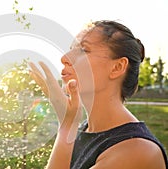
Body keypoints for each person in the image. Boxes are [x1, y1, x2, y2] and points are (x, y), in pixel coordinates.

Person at [29, 20, 167, 169]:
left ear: (117, 67)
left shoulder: (137, 150)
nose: (65, 58)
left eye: (83, 50)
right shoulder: (84, 130)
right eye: (71, 49)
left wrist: (66, 126)